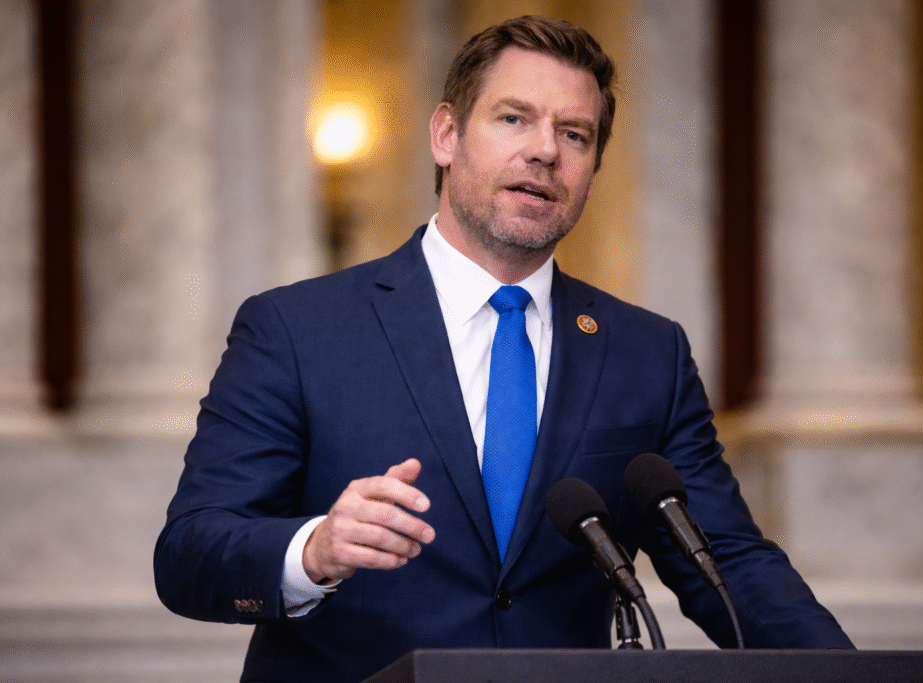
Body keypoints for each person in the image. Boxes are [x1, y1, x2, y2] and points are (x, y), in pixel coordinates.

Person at [154, 15, 853, 683]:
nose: (545, 150)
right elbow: (189, 552)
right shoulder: (295, 329)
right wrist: (315, 549)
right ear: (447, 134)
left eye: (574, 134)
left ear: (591, 171)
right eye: (514, 118)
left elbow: (725, 559)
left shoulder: (647, 353)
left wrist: (853, 675)